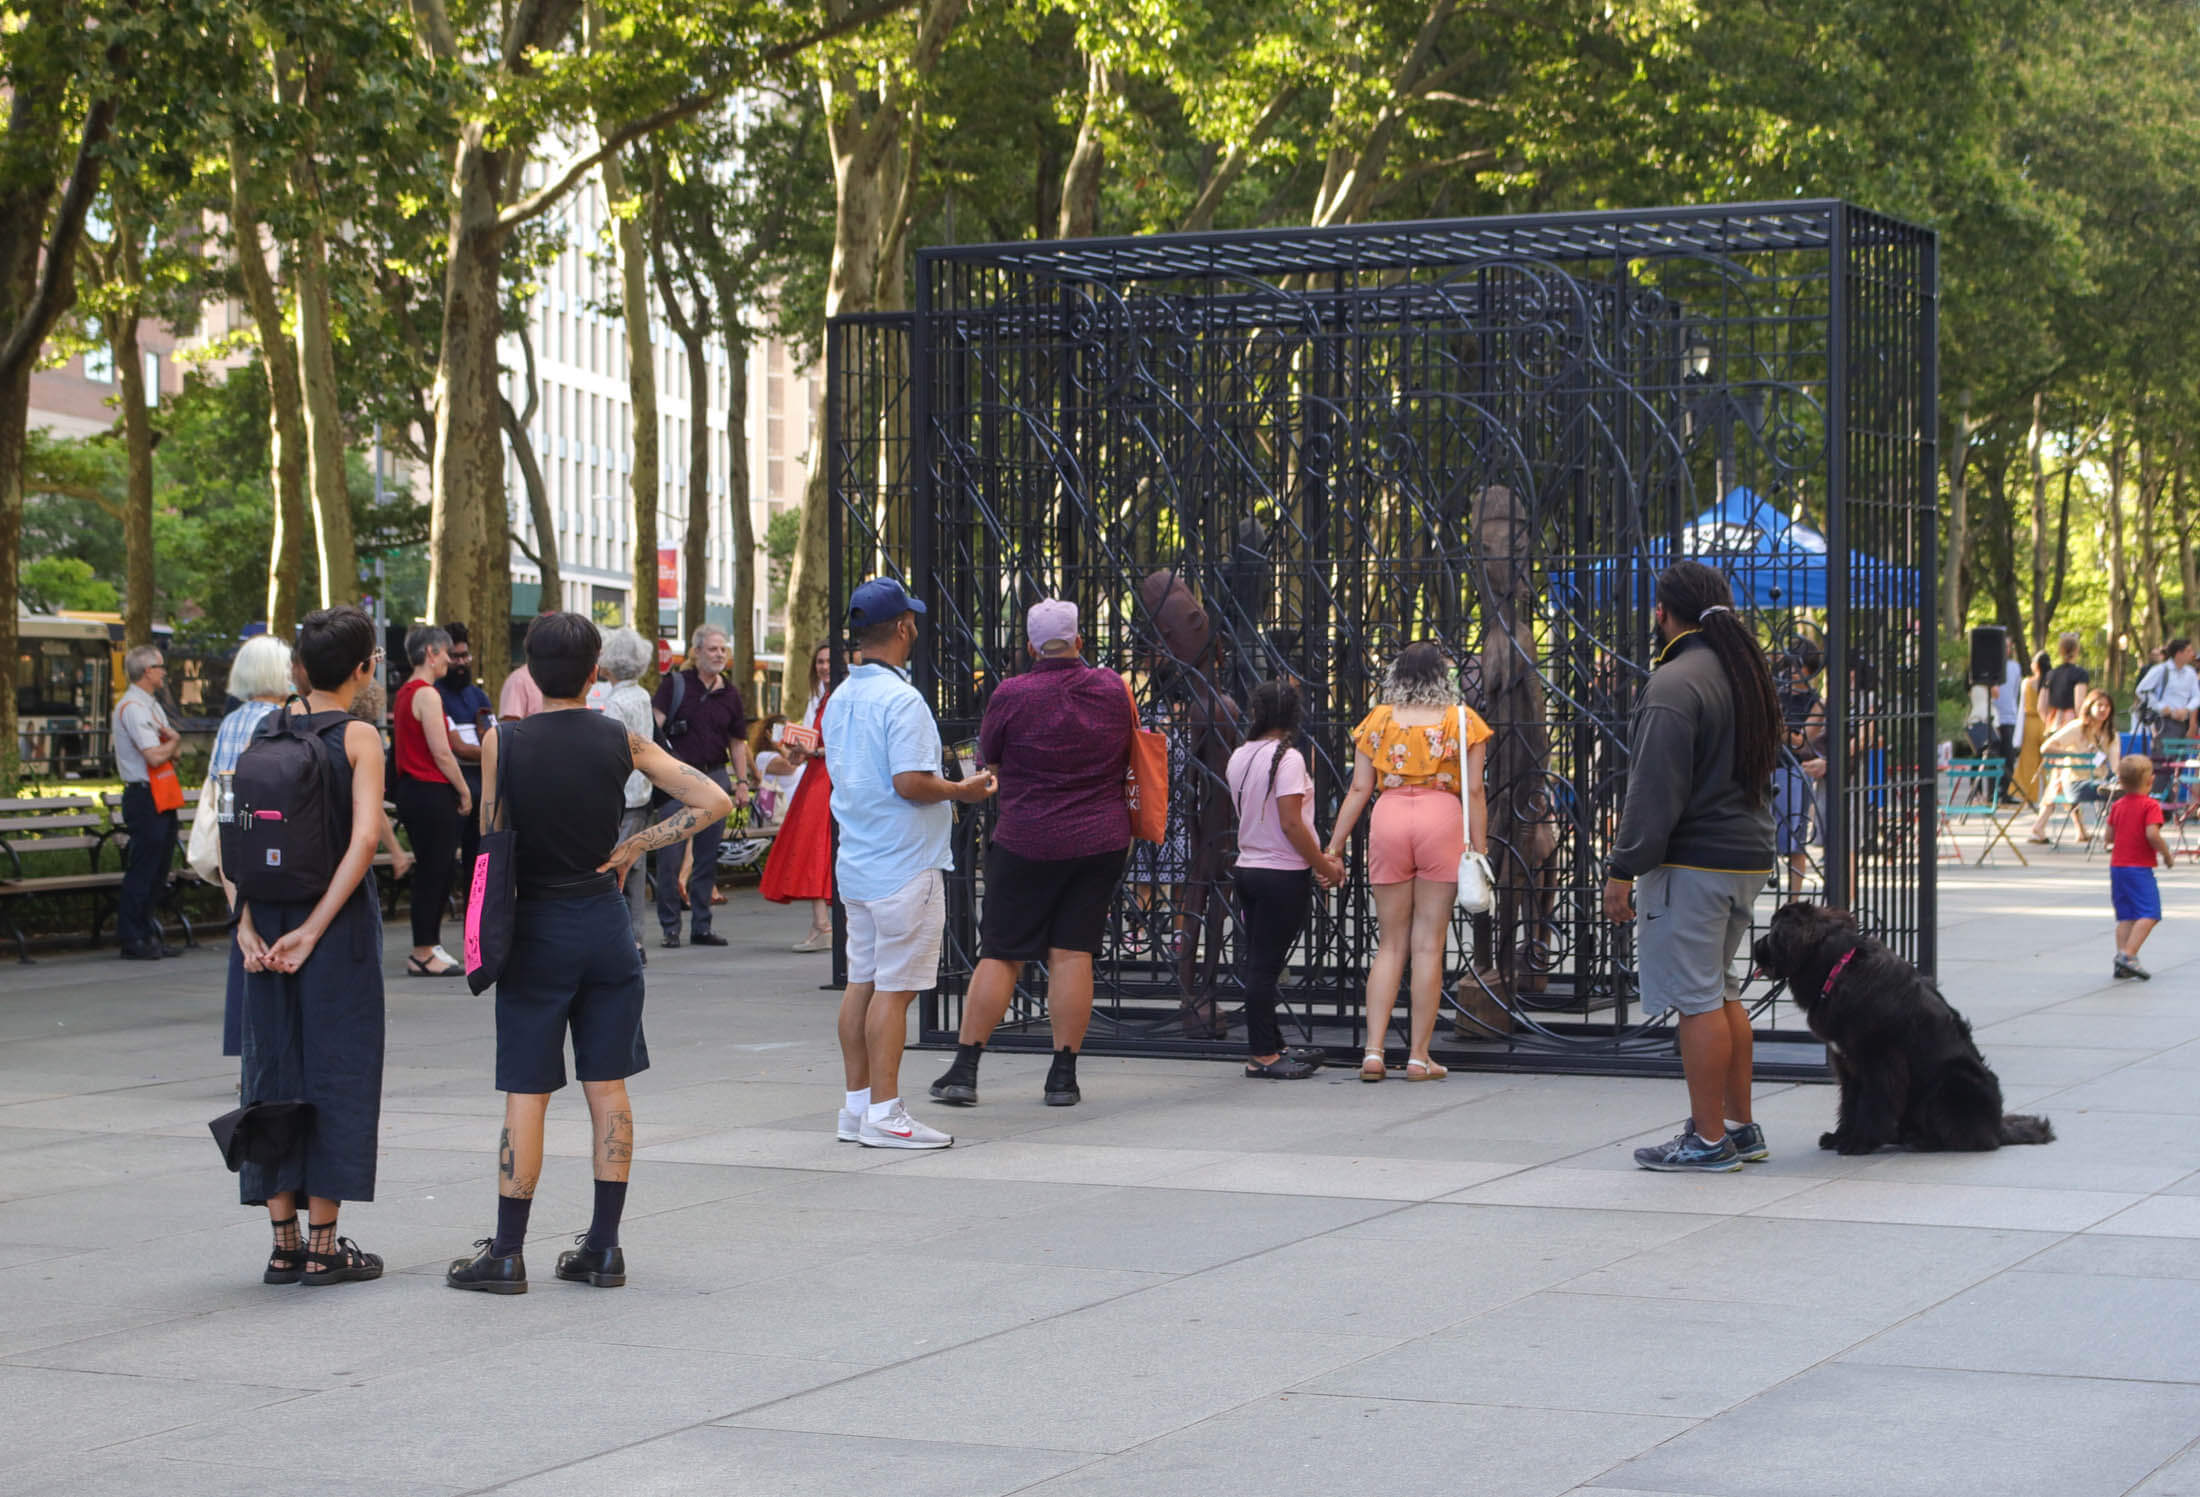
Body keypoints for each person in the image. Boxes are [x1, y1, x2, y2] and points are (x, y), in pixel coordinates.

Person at [446, 613, 731, 1294]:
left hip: (536, 924)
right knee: (608, 1085)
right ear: (595, 669)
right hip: (604, 923)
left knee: (528, 1089)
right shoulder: (619, 737)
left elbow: (492, 833)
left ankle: (507, 1251)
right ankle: (603, 1247)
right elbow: (713, 797)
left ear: (530, 669)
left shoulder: (502, 742)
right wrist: (640, 843)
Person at [1602, 561, 1780, 1173]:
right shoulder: (1744, 673)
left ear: (1663, 613)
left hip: (1693, 861)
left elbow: (1653, 790)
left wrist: (1622, 868)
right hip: (1745, 857)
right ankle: (1738, 1126)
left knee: (1697, 999)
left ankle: (1708, 1141)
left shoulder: (1676, 681)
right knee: (1722, 989)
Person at [232, 605, 389, 1286]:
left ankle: (282, 1240)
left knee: (271, 1071)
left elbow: (238, 837)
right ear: (364, 668)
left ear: (297, 668)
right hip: (335, 925)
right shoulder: (358, 736)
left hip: (263, 920)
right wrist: (318, 926)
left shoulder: (264, 730)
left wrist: (244, 923)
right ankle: (325, 1243)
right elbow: (362, 842)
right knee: (338, 1069)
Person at [928, 600, 1134, 1109]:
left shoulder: (1012, 694)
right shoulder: (1112, 688)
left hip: (1026, 840)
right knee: (1073, 952)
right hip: (1099, 840)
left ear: (1030, 646)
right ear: (1079, 641)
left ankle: (964, 1071)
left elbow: (989, 757)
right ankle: (1062, 1078)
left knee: (1001, 952)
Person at [827, 579, 995, 1149]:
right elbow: (911, 783)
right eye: (913, 620)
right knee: (895, 992)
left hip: (859, 859)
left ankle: (856, 1108)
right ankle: (886, 1111)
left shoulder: (842, 696)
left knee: (862, 984)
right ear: (902, 627)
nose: (917, 628)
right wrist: (963, 789)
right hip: (905, 863)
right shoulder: (903, 700)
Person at [1326, 641, 1492, 1082]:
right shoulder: (1463, 722)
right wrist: (1479, 846)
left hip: (1391, 815)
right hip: (1442, 818)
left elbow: (1360, 788)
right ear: (1443, 677)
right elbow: (1474, 791)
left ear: (1396, 676)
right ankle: (1419, 1057)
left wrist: (1334, 846)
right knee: (1427, 945)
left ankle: (1374, 1052)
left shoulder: (1377, 720)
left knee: (1390, 944)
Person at [1226, 679, 1344, 1080]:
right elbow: (1292, 823)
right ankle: (1262, 1054)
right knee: (1265, 966)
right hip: (1281, 873)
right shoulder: (1288, 759)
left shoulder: (1241, 755)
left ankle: (1273, 1044)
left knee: (1262, 962)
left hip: (1248, 867)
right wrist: (1323, 865)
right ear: (1293, 714)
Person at [210, 636, 300, 1056]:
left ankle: (246, 1047)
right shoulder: (281, 720)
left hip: (236, 845)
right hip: (273, 843)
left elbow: (218, 792)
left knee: (245, 944)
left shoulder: (232, 721)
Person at [650, 624, 754, 948]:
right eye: (712, 649)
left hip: (715, 778)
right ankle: (670, 927)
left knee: (707, 858)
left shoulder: (730, 693)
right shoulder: (674, 685)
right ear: (696, 653)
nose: (719, 654)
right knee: (670, 856)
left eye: (723, 649)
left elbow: (738, 743)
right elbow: (653, 728)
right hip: (678, 781)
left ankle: (701, 926)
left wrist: (741, 784)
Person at [390, 625, 472, 977]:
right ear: (431, 654)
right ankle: (423, 950)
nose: (451, 661)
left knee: (434, 868)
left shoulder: (405, 693)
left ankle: (429, 944)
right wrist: (464, 789)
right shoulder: (428, 694)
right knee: (435, 870)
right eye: (446, 653)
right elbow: (442, 751)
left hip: (413, 790)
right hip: (429, 789)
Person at [759, 642, 837, 953]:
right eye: (819, 661)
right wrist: (800, 752)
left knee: (815, 846)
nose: (824, 666)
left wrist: (813, 751)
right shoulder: (823, 700)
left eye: (829, 661)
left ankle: (823, 925)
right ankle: (822, 923)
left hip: (825, 778)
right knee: (815, 846)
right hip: (818, 776)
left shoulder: (834, 699)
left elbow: (847, 743)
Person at [587, 627, 659, 962]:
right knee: (636, 865)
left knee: (616, 865)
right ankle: (637, 937)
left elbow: (608, 750)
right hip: (642, 789)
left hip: (622, 794)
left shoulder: (615, 703)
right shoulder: (643, 696)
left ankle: (623, 939)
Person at [113, 644, 184, 960]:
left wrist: (172, 746)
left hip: (161, 791)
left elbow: (172, 753)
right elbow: (156, 755)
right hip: (144, 793)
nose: (164, 671)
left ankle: (148, 931)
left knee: (159, 868)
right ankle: (132, 936)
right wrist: (174, 742)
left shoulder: (152, 705)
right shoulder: (133, 707)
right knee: (144, 867)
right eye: (160, 666)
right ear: (146, 671)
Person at [437, 622, 494, 899]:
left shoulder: (478, 695)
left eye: (465, 656)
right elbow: (457, 747)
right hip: (454, 785)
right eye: (455, 657)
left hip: (482, 784)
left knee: (478, 855)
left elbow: (490, 734)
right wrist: (487, 749)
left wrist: (487, 747)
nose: (461, 663)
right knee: (446, 856)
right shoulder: (436, 694)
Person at [2107, 753, 2175, 981]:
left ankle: (2121, 960)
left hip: (2118, 867)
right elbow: (2152, 833)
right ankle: (2128, 955)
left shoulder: (2117, 805)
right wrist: (2166, 854)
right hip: (2139, 868)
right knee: (2150, 913)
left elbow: (2108, 837)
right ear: (2150, 780)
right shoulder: (2150, 805)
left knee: (2126, 916)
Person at [2027, 689, 2122, 845]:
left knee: (2119, 790)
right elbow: (2046, 748)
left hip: (2100, 781)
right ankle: (2110, 839)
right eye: (2099, 705)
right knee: (2109, 791)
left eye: (2107, 706)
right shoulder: (2077, 727)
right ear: (2089, 707)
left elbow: (2114, 765)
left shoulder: (2111, 734)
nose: (2103, 709)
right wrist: (2075, 756)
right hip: (2076, 783)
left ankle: (2100, 835)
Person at [1771, 644, 1826, 898]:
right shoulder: (1776, 694)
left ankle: (1793, 899)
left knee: (1794, 839)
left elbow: (1803, 742)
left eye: (1799, 665)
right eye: (1791, 665)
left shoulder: (1816, 704)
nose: (1793, 671)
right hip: (1768, 768)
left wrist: (1781, 729)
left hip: (1793, 772)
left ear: (1810, 670)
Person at [2136, 638, 2200, 743]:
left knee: (2181, 758)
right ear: (2179, 653)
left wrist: (2187, 709)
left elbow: (2197, 696)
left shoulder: (2190, 673)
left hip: (2184, 722)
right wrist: (2160, 707)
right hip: (2164, 722)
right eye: (2188, 651)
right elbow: (2141, 690)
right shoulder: (2160, 670)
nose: (2192, 653)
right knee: (2164, 757)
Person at [2014, 649, 2051, 804]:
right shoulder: (2050, 682)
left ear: (2035, 665)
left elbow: (2022, 706)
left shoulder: (2027, 683)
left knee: (2028, 760)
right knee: (2049, 761)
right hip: (2046, 722)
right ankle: (2052, 793)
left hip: (2029, 722)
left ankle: (2028, 794)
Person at [1994, 639, 2026, 800]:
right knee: (1993, 756)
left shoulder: (2015, 667)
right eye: (2003, 646)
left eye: (2008, 646)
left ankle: (2006, 791)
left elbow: (2015, 691)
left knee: (2009, 756)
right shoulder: (1990, 666)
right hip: (1994, 718)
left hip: (2009, 717)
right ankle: (1992, 792)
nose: (2006, 649)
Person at [2043, 631, 2091, 734]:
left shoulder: (2050, 674)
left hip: (2052, 722)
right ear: (2077, 650)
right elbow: (2079, 704)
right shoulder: (2080, 674)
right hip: (2070, 724)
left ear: (2060, 651)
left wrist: (2047, 720)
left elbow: (2041, 706)